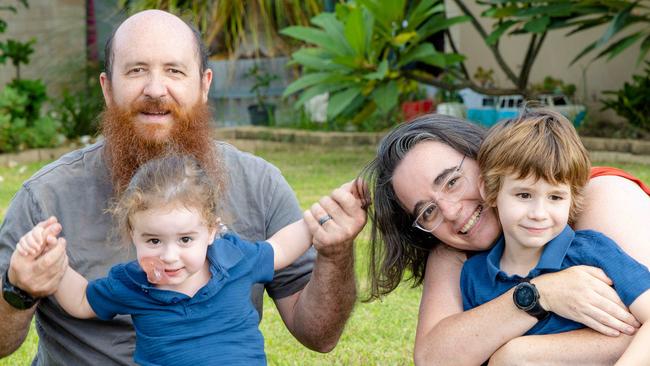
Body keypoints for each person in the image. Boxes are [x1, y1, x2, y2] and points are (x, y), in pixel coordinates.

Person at [0, 9, 366, 364]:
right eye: (136, 70)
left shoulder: (259, 185)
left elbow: (319, 336)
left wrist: (334, 251)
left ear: (204, 85)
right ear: (107, 88)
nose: (156, 89)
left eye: (174, 70)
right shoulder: (45, 197)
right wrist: (20, 289)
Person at [361, 113, 650, 365]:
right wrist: (541, 294)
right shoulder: (459, 257)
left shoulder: (599, 201)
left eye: (452, 181)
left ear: (485, 162)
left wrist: (518, 356)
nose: (451, 212)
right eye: (427, 211)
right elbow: (435, 358)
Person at [15, 154, 348, 365]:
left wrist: (320, 218)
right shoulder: (133, 282)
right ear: (133, 235)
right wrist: (52, 261)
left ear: (211, 230)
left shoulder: (234, 258)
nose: (170, 256)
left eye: (186, 239)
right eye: (153, 240)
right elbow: (82, 301)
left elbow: (280, 248)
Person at [459, 110, 650, 365]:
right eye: (524, 195)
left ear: (572, 198)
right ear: (490, 190)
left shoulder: (593, 251)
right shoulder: (475, 276)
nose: (539, 214)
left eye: (555, 197)